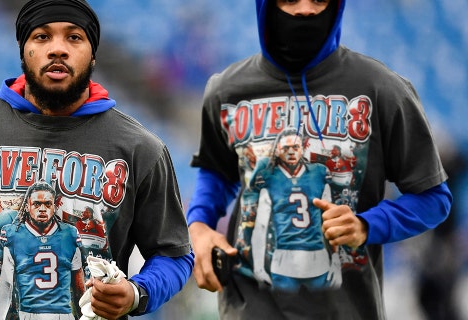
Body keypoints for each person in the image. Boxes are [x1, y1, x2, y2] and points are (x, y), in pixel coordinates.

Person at [0, 1, 193, 319]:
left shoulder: (139, 148)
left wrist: (137, 293)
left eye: (74, 37)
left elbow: (174, 252)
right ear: (23, 49)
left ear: (93, 54)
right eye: (41, 37)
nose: (58, 49)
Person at [186, 0, 452, 319]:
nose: (305, 10)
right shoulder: (226, 89)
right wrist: (199, 224)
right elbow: (216, 172)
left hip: (346, 308)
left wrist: (367, 224)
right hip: (250, 307)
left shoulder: (381, 88)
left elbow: (434, 199)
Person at [250, 128, 340, 292]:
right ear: (277, 151)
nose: (291, 152)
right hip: (286, 262)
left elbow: (330, 219)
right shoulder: (269, 177)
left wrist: (335, 259)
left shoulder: (319, 173)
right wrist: (258, 266)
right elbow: (261, 225)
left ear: (303, 149)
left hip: (316, 261)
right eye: (286, 148)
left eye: (295, 147)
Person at [0, 180, 84, 320]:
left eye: (47, 204)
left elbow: (79, 288)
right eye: (37, 204)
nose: (42, 209)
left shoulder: (69, 234)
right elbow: (6, 285)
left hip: (63, 315)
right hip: (28, 314)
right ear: (27, 206)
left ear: (54, 206)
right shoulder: (14, 235)